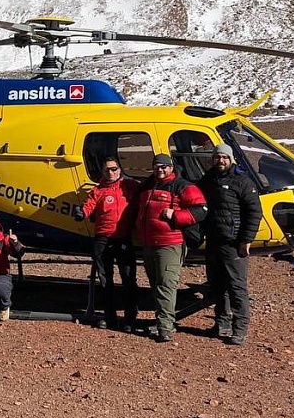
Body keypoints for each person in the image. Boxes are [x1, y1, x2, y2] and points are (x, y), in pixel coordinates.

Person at [133, 153, 208, 343]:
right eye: (157, 166)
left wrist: (176, 216)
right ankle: (162, 320)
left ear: (171, 168)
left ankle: (165, 326)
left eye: (164, 166)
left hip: (170, 243)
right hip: (149, 244)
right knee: (156, 284)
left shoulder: (183, 186)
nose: (160, 170)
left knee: (166, 285)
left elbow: (201, 210)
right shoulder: (148, 186)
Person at [198, 143, 261, 346]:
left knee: (236, 287)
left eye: (224, 157)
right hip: (213, 241)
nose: (221, 161)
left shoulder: (243, 182)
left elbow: (254, 213)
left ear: (231, 159)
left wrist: (246, 240)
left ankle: (240, 328)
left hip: (234, 243)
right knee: (217, 286)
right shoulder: (207, 180)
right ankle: (221, 322)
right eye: (217, 157)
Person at [76, 157, 140, 330]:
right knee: (106, 280)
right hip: (103, 239)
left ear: (119, 170)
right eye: (107, 170)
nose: (111, 173)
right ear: (103, 172)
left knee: (128, 278)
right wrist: (81, 212)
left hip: (123, 238)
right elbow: (88, 205)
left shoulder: (130, 186)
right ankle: (110, 317)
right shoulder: (98, 190)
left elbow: (146, 194)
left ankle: (130, 318)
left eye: (114, 169)